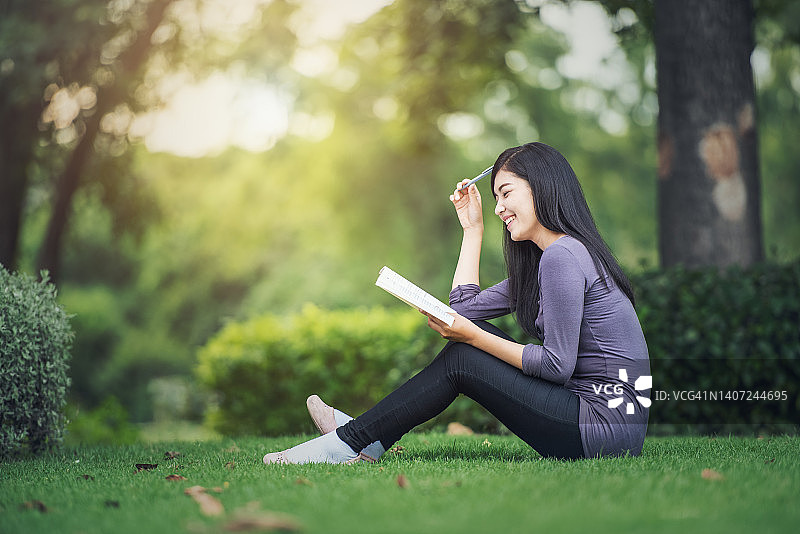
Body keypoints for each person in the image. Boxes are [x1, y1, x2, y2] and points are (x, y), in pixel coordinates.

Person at [263, 142, 650, 464]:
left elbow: (556, 366)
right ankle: (366, 440)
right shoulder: (547, 261)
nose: (499, 208)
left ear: (542, 187)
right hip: (598, 422)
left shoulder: (562, 256)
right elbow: (465, 311)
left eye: (506, 193)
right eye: (495, 197)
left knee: (466, 352)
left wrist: (471, 338)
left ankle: (346, 444)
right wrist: (472, 229)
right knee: (470, 337)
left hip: (603, 428)